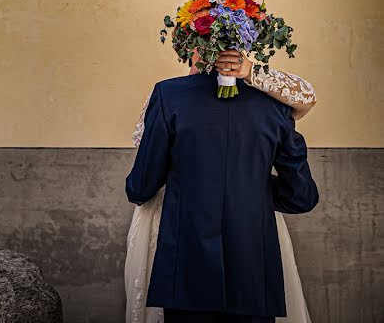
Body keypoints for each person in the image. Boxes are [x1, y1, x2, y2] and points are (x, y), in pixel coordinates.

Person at [124, 49, 319, 323]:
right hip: (254, 269)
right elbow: (301, 197)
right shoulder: (276, 104)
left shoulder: (169, 95)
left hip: (186, 267)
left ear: (191, 45)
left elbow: (141, 186)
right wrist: (254, 188)